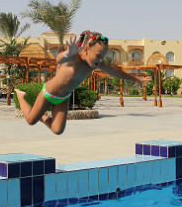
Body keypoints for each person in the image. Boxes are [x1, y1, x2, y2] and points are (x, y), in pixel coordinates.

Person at [15, 31, 150, 134]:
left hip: (63, 98)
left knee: (57, 130)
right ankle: (21, 96)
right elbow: (59, 60)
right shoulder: (75, 58)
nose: (100, 60)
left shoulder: (95, 63)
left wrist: (136, 79)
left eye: (103, 56)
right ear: (86, 50)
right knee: (30, 120)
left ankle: (42, 117)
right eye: (98, 55)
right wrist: (67, 53)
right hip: (48, 93)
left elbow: (115, 71)